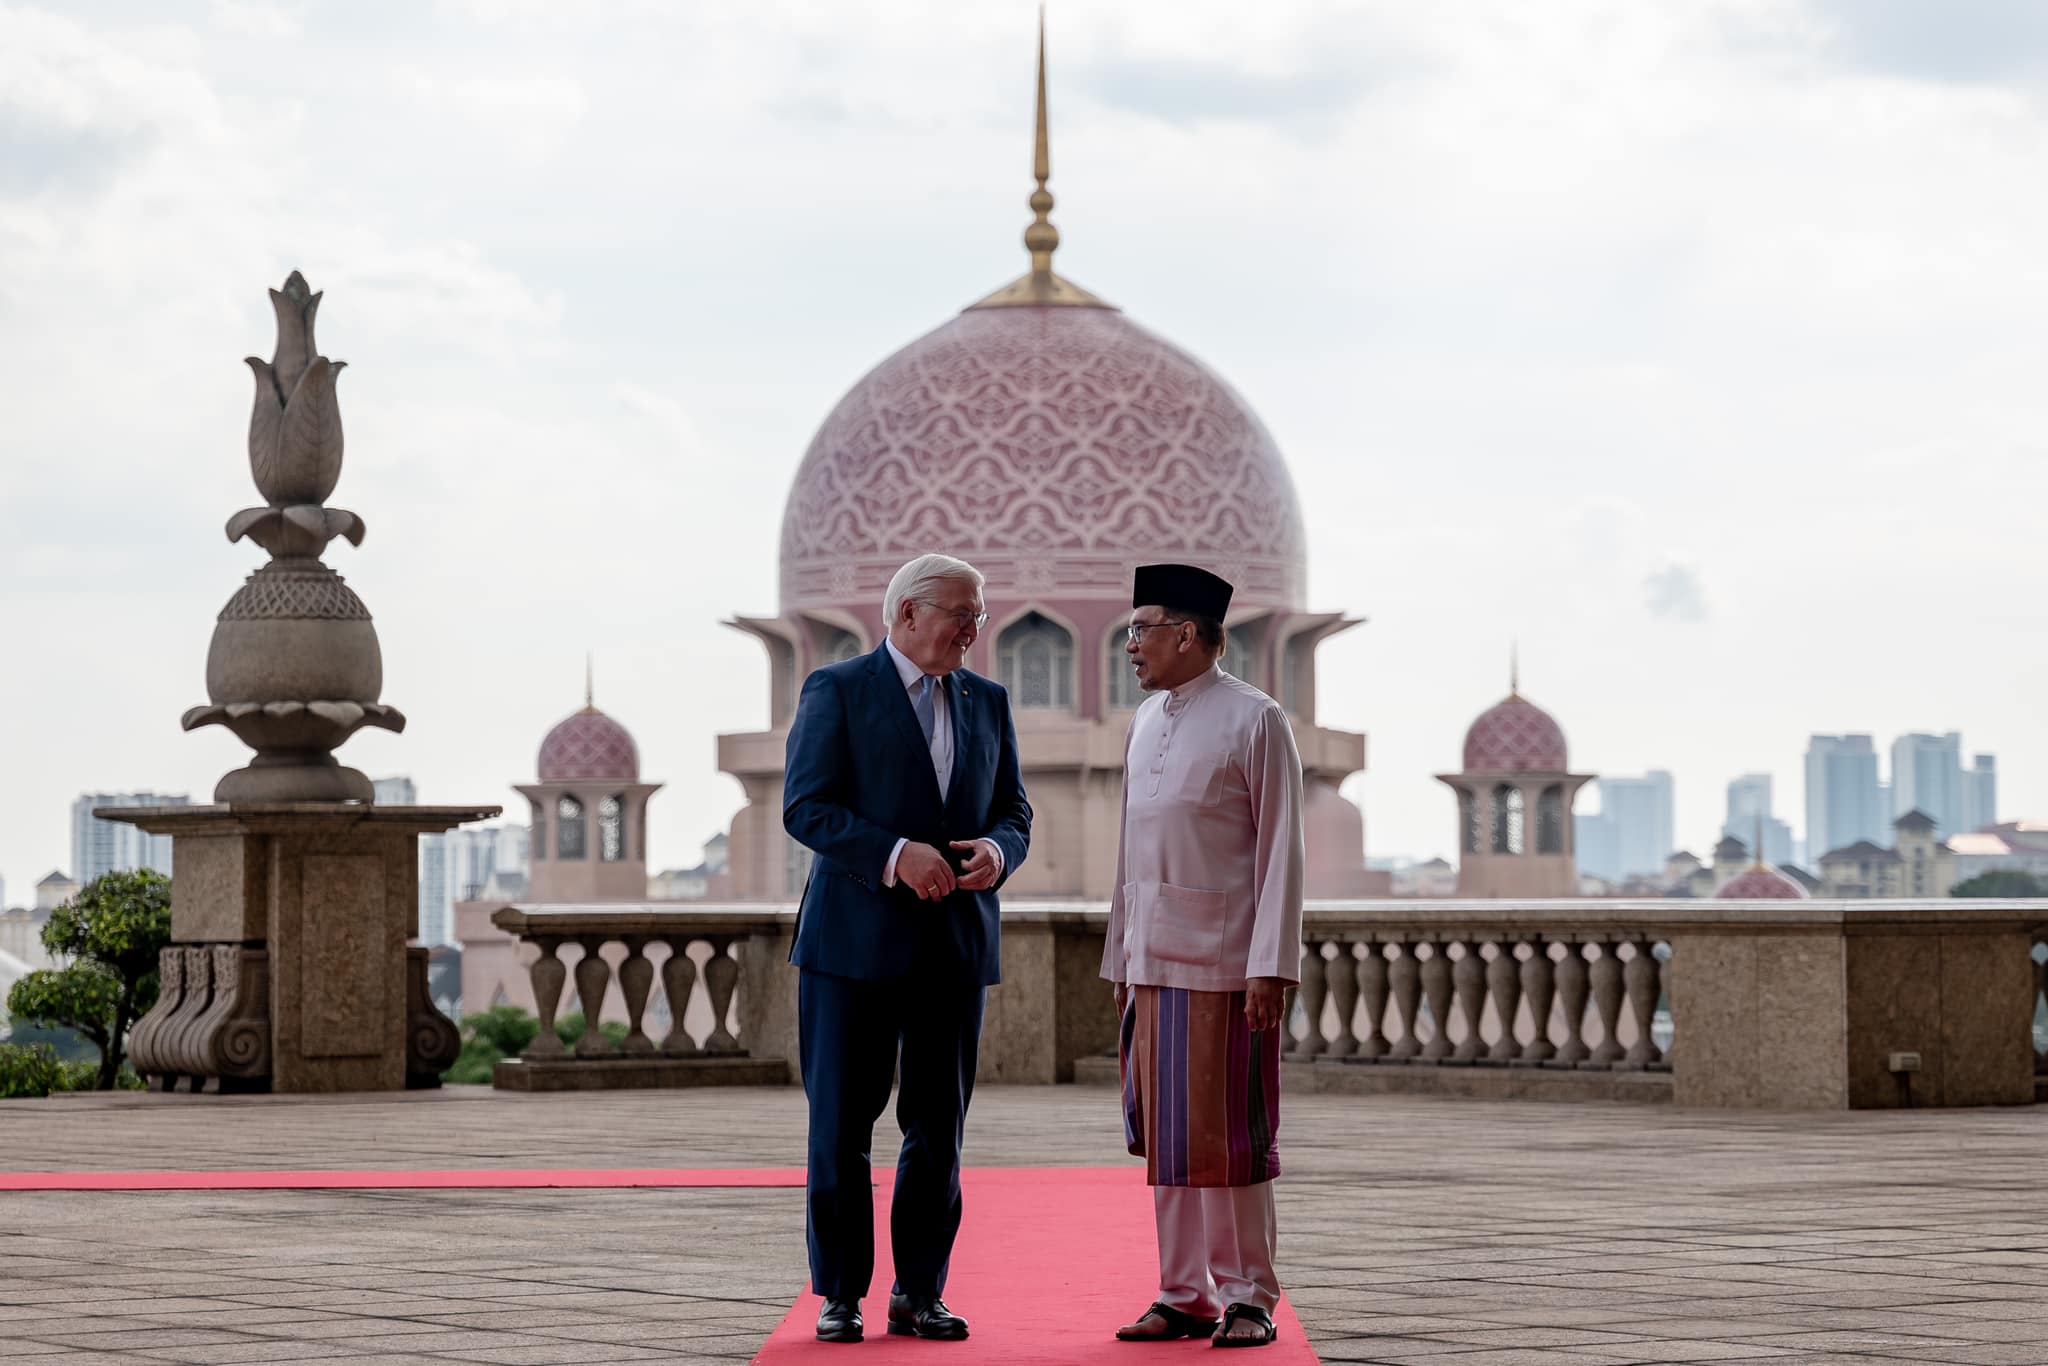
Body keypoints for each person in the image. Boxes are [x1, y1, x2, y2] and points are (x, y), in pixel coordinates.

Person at [783, 552, 1033, 1344]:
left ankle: (919, 1292)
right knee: (841, 1130)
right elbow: (807, 808)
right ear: (907, 616)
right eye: (962, 613)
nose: (974, 628)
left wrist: (998, 852)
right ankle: (842, 1294)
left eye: (980, 615)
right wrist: (896, 854)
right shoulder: (839, 690)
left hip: (952, 950)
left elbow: (1015, 811)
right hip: (851, 949)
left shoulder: (987, 701)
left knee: (938, 1133)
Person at [1104, 563, 1304, 1350]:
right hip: (1152, 962)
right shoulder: (1146, 721)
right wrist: (1121, 955)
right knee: (1169, 1139)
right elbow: (1130, 848)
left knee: (1232, 1137)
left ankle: (1249, 1295)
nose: (1130, 647)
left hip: (1227, 966)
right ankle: (1181, 1291)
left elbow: (1281, 851)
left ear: (1188, 634)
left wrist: (1270, 965)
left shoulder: (1256, 720)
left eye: (1140, 630)